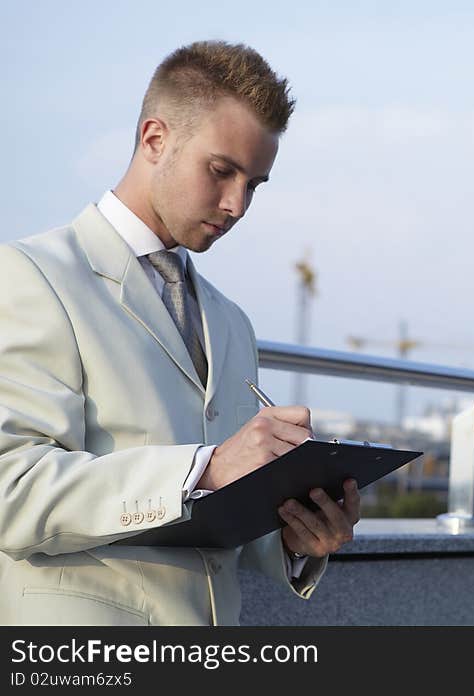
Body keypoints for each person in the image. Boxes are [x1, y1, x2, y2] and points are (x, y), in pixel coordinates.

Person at [0, 40, 360, 625]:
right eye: (221, 171)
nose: (237, 204)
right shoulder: (30, 276)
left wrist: (296, 536)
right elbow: (11, 489)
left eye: (255, 184)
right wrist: (208, 466)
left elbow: (214, 519)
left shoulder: (230, 322)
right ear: (154, 140)